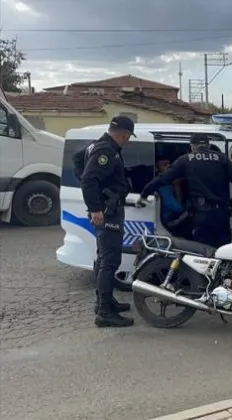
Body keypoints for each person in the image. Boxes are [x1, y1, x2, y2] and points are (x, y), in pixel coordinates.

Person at [76, 116, 136, 328]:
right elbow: (87, 179)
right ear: (124, 134)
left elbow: (77, 162)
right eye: (128, 137)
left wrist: (100, 196)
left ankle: (105, 300)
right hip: (108, 214)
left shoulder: (97, 145)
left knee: (103, 259)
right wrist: (96, 208)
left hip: (108, 209)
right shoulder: (106, 151)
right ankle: (104, 313)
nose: (128, 140)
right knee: (110, 261)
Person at [137, 134, 232, 248]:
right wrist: (231, 166)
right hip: (221, 214)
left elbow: (163, 179)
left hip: (202, 214)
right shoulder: (223, 159)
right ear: (209, 145)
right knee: (223, 250)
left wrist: (144, 194)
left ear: (192, 146)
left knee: (204, 251)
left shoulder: (186, 160)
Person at [155, 158, 191, 237]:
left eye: (169, 164)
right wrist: (177, 187)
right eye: (165, 164)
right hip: (167, 221)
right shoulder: (163, 187)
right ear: (157, 169)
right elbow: (177, 208)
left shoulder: (169, 184)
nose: (169, 166)